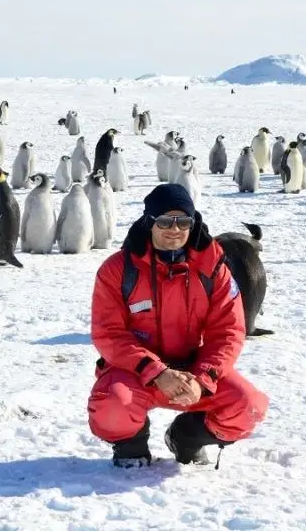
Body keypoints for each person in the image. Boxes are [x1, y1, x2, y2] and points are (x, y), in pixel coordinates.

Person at [87, 183, 268, 468]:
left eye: (183, 221)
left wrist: (202, 379)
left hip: (193, 370)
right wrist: (156, 372)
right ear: (149, 222)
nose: (175, 229)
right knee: (112, 405)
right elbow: (108, 333)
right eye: (165, 221)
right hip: (136, 370)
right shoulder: (118, 269)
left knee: (249, 406)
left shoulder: (213, 269)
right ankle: (131, 447)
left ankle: (187, 437)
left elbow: (228, 332)